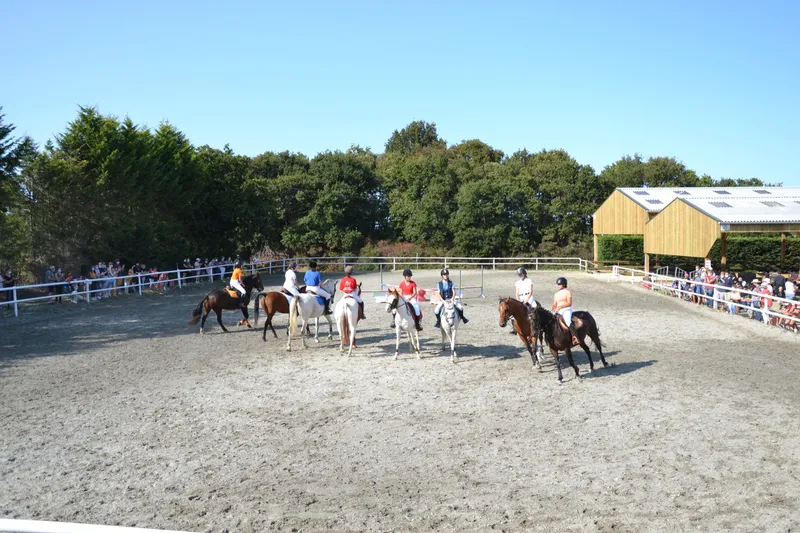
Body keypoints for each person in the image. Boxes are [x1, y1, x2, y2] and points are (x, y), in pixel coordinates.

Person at [552, 277, 579, 346]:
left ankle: (574, 337)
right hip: (559, 310)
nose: (558, 286)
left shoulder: (567, 292)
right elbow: (555, 303)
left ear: (564, 284)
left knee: (568, 321)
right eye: (557, 284)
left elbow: (569, 303)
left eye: (559, 284)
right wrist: (553, 306)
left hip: (567, 309)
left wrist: (561, 306)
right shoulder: (556, 294)